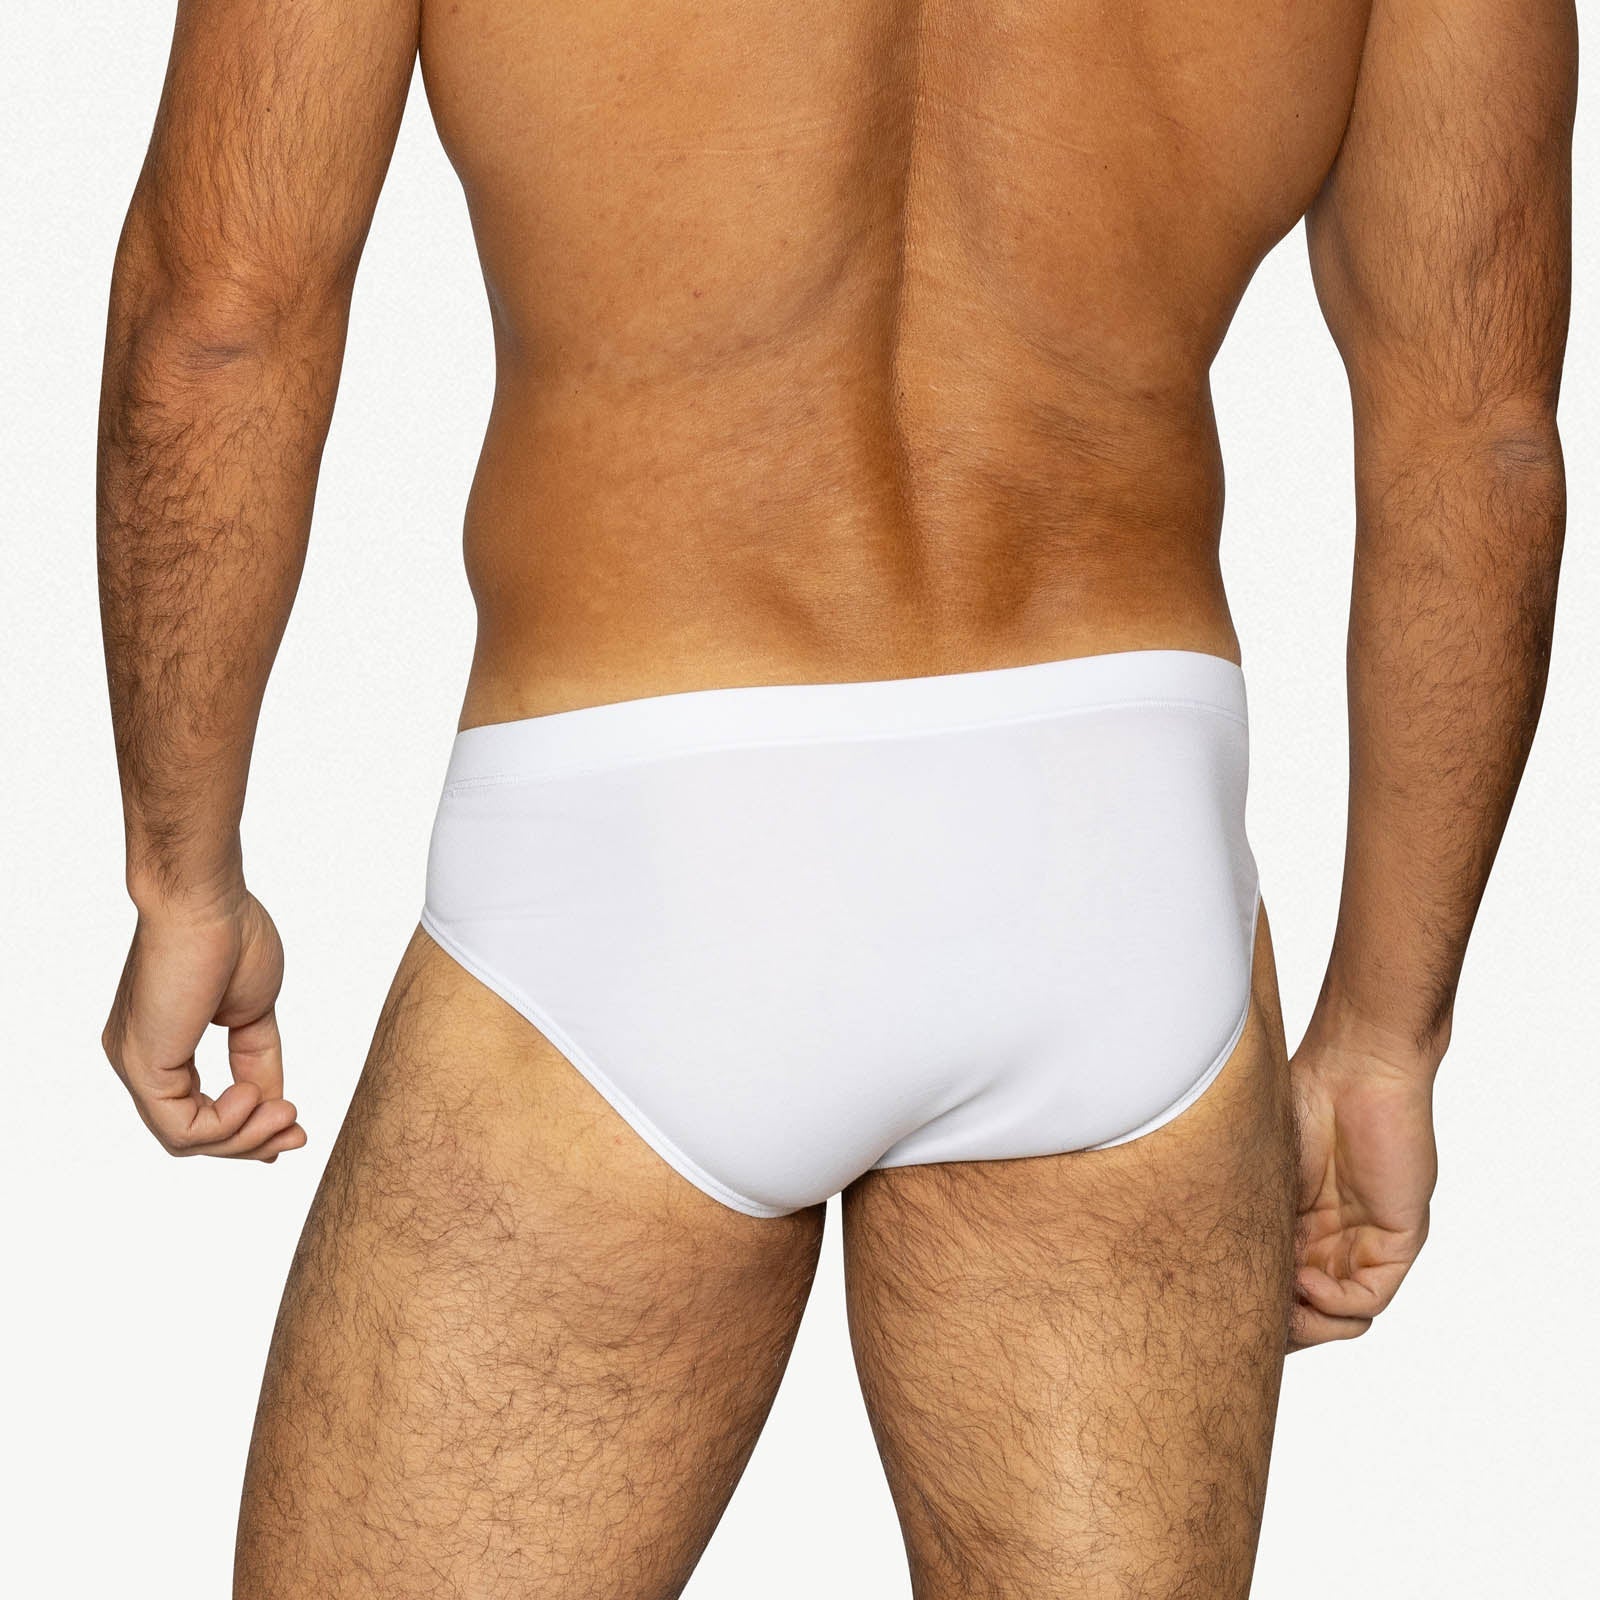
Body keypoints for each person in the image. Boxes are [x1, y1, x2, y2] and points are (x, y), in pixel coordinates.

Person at [96, 0, 1575, 1593]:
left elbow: (220, 319)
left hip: (649, 850)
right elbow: (1480, 436)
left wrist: (185, 873)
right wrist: (1387, 1030)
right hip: (1115, 851)